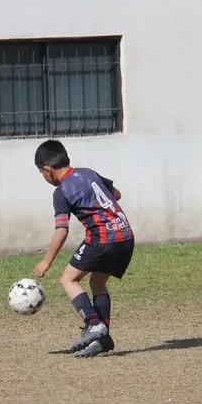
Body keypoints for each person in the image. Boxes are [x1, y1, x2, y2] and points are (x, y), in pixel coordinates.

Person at [33, 140, 135, 358]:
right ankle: (103, 340)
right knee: (97, 282)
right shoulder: (89, 173)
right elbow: (115, 194)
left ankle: (93, 323)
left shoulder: (61, 192)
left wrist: (46, 262)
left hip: (103, 238)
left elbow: (62, 231)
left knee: (68, 280)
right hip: (125, 234)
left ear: (47, 171)